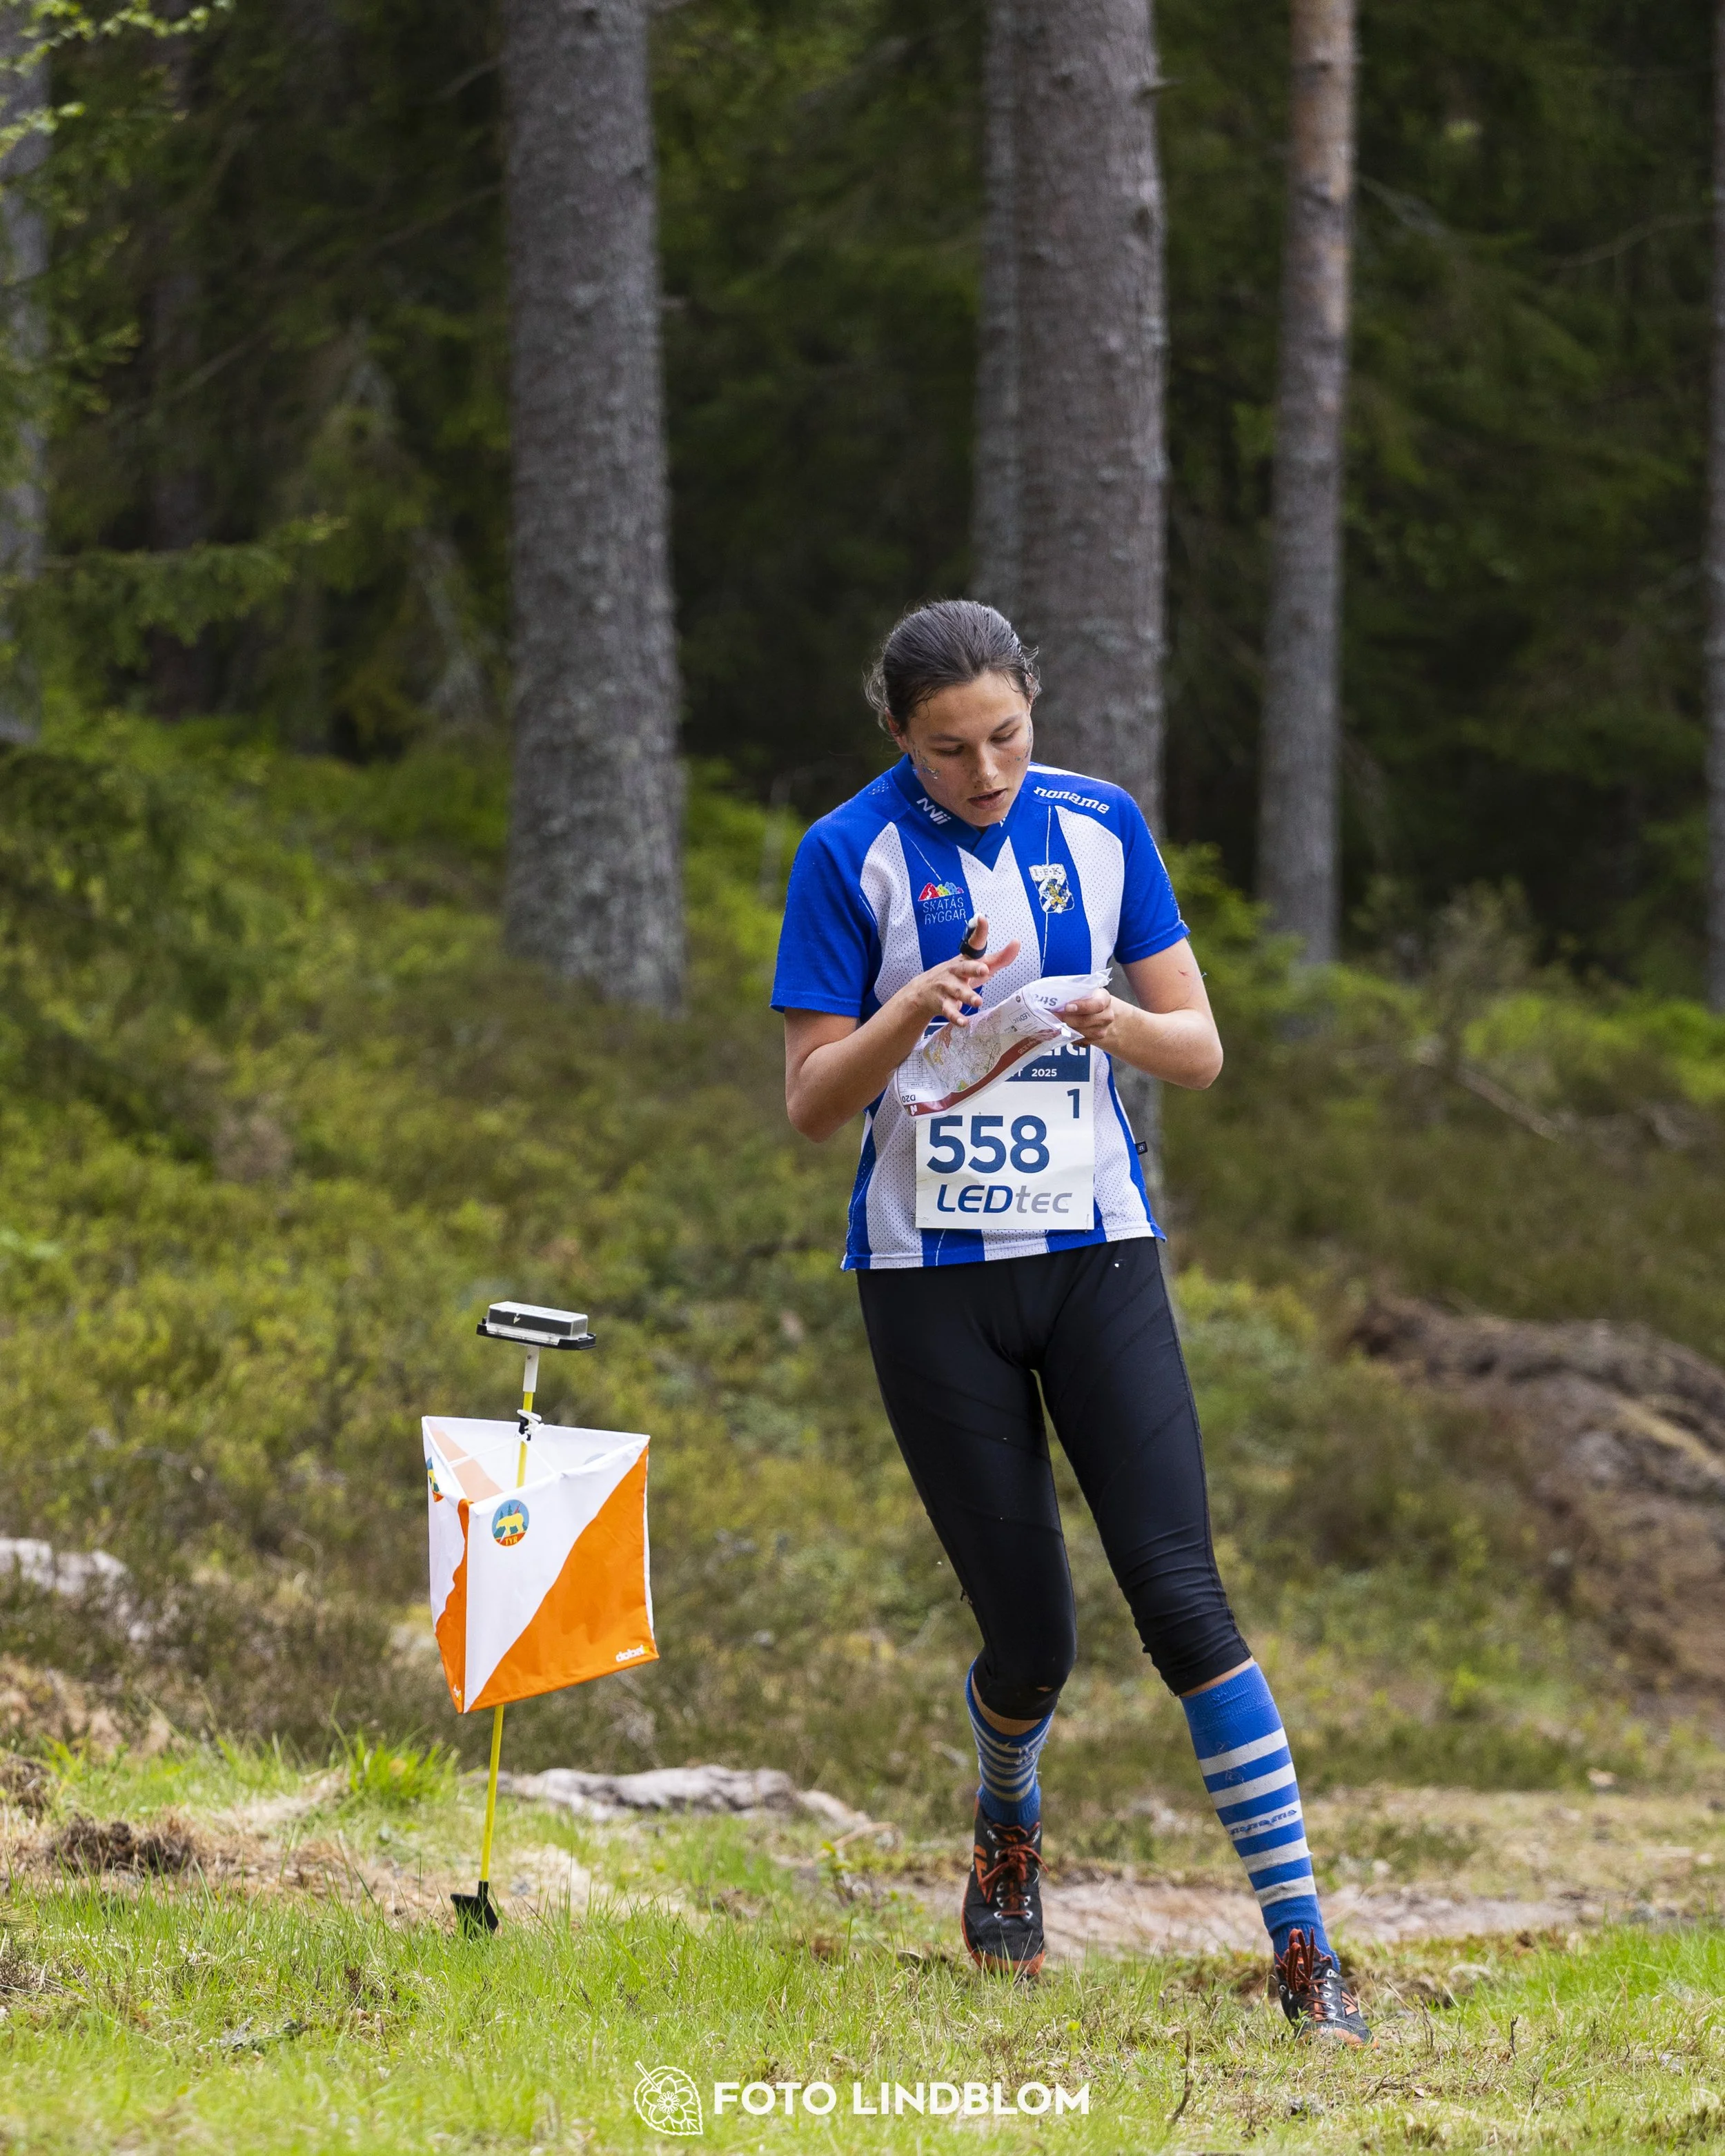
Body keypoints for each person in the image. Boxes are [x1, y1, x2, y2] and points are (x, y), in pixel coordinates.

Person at [770, 600, 1370, 2044]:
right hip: (931, 1283)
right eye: (947, 748)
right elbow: (806, 1102)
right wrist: (913, 1001)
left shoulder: (1100, 829)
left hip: (1095, 1255)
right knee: (1030, 1639)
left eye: (1005, 735)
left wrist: (1099, 1018)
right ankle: (1004, 1820)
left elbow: (1202, 1049)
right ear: (899, 741)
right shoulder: (845, 855)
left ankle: (1303, 1952)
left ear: (1032, 708)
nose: (983, 769)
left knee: (1182, 1599)